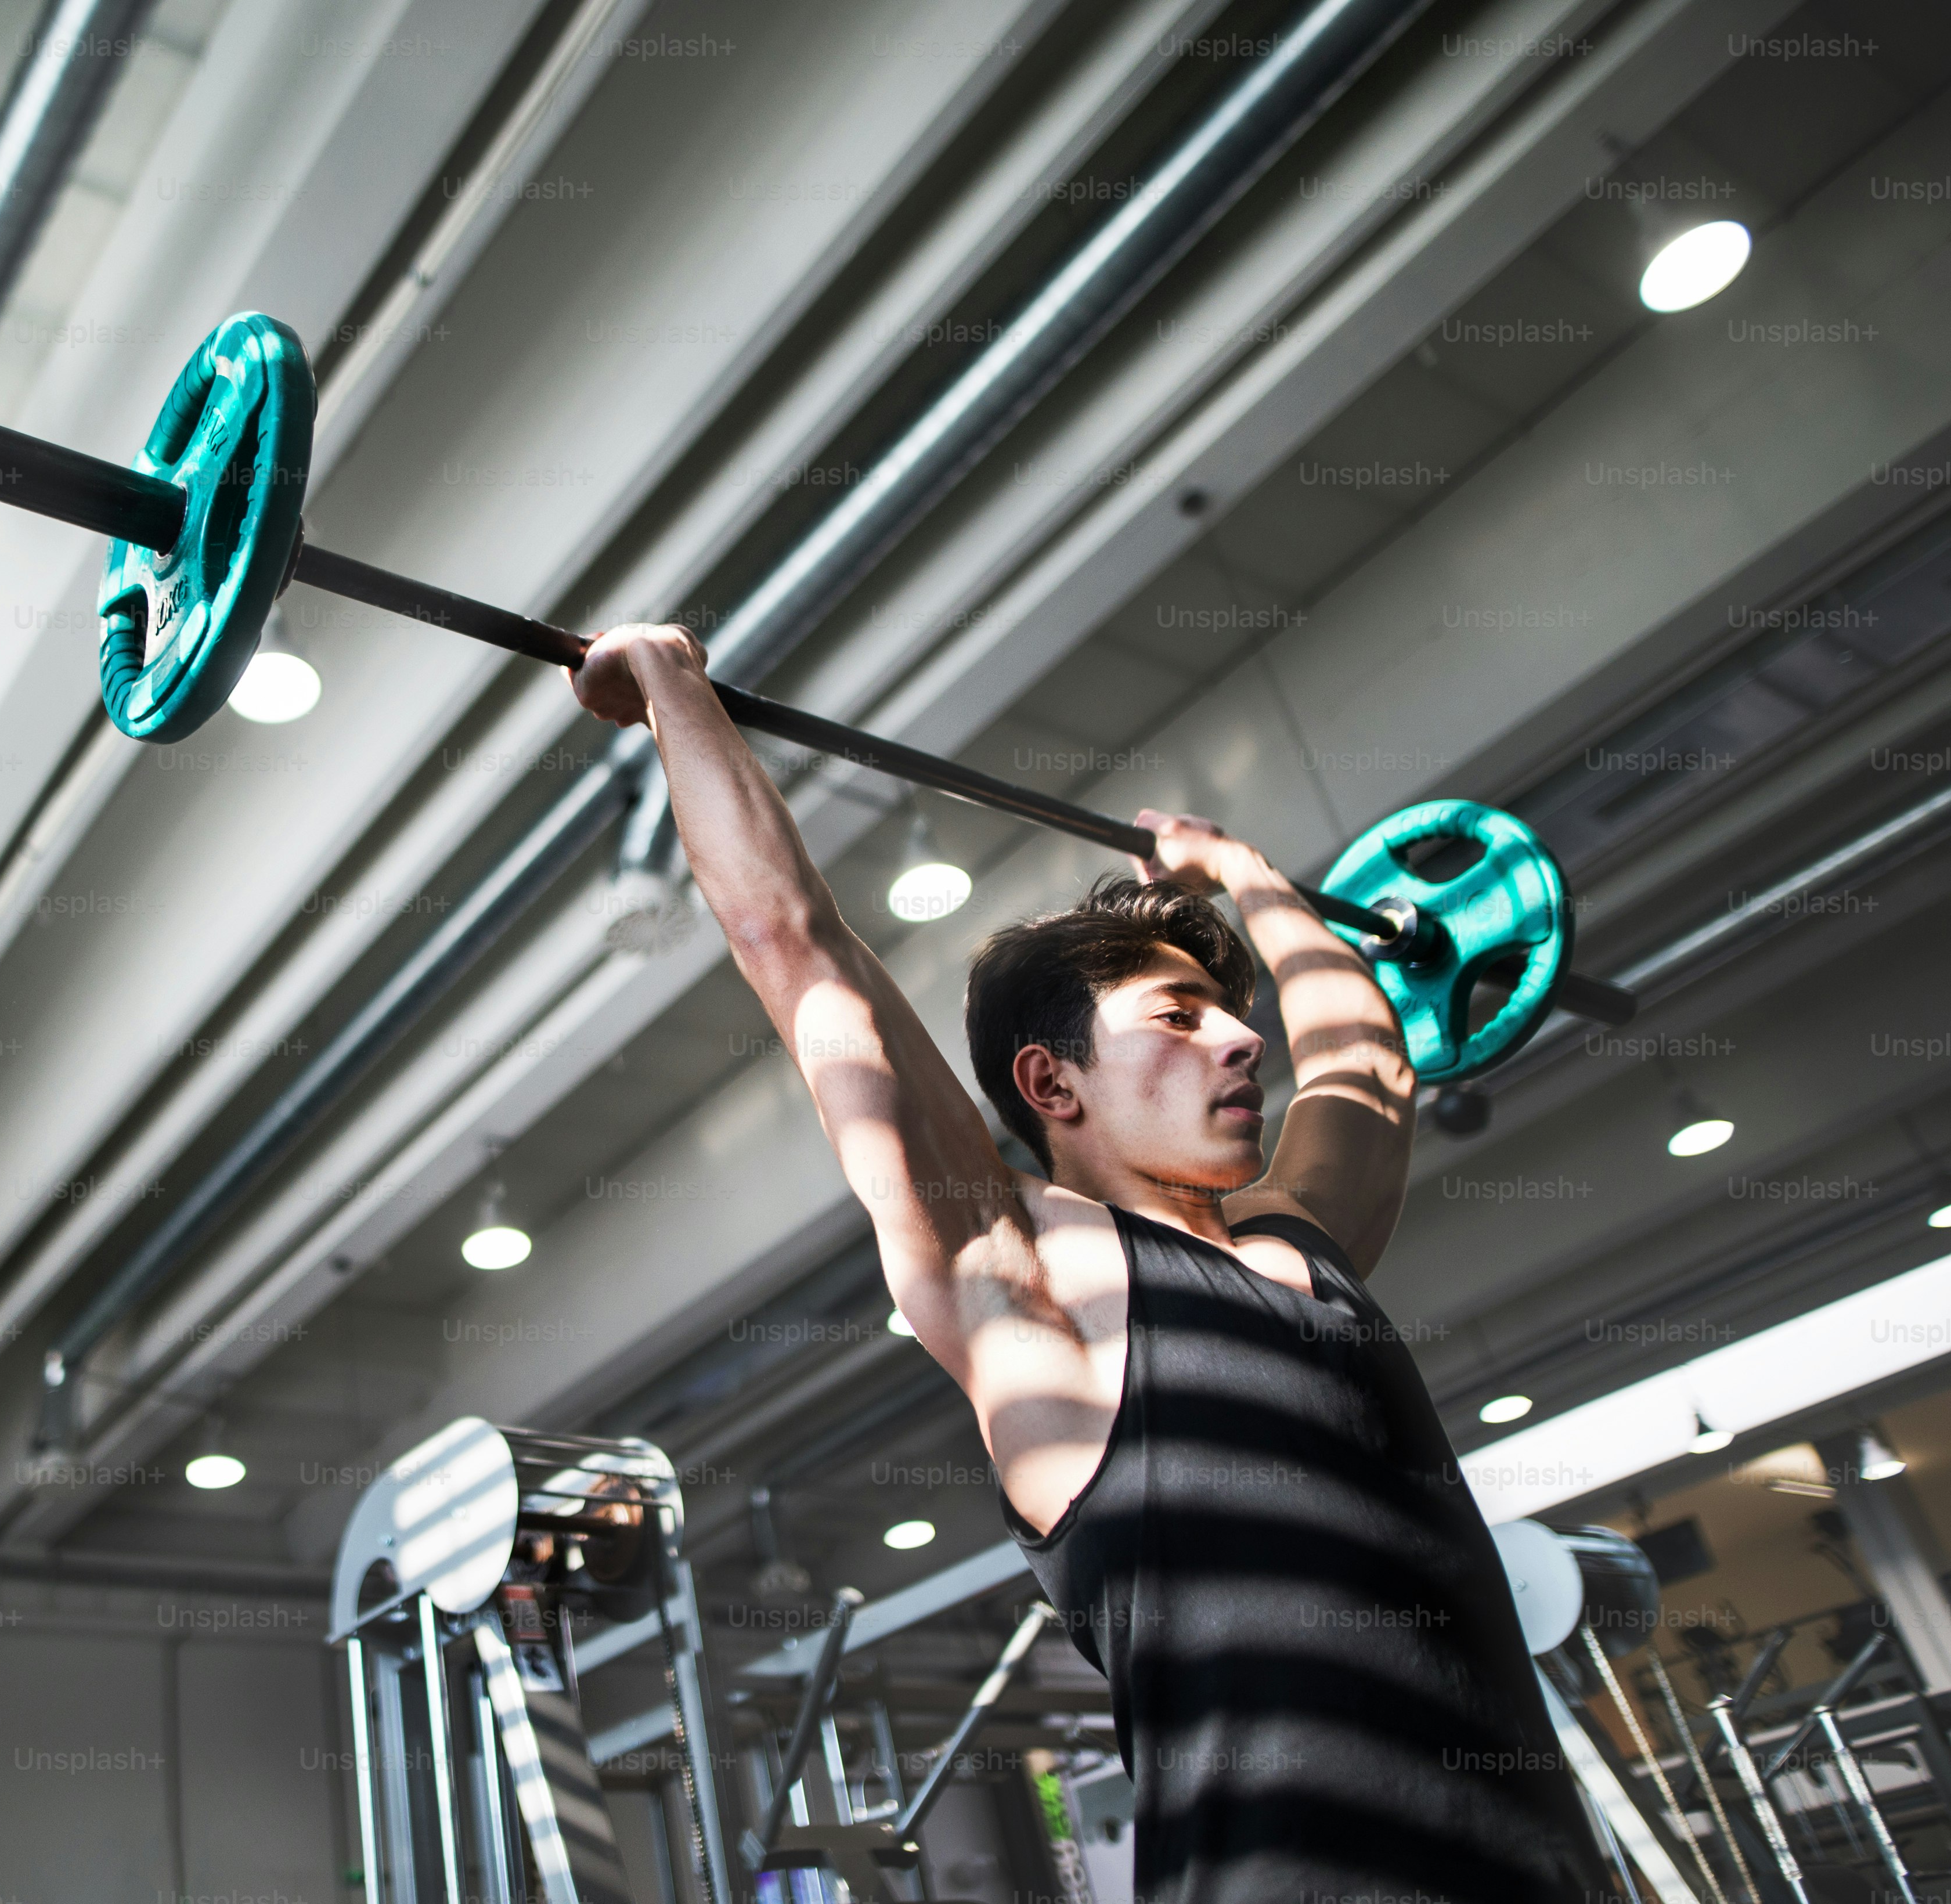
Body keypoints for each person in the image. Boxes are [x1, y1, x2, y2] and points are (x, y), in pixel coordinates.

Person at [569, 623, 1613, 1902]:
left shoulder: (1302, 1243)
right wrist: (675, 685)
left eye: (1232, 1013)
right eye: (1179, 1018)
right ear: (1048, 1080)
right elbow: (795, 944)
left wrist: (1243, 874)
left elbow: (1369, 1057)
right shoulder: (1022, 1274)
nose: (1240, 1040)